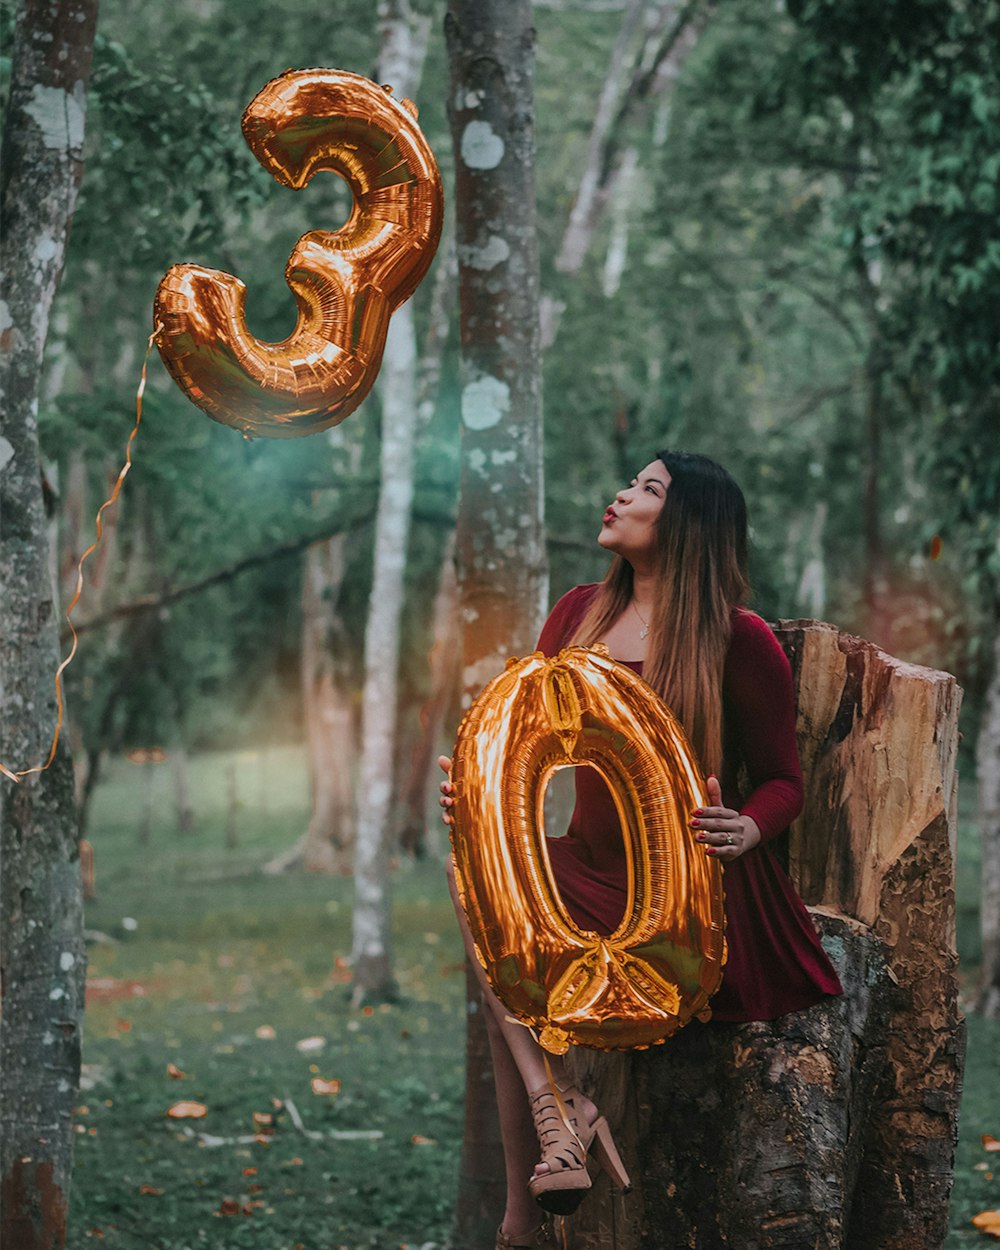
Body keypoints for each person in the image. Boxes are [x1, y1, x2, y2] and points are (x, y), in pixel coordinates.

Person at [438, 450, 843, 1250]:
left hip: (697, 892)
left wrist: (749, 827)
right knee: (480, 894)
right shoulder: (575, 615)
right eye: (630, 481)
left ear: (688, 521)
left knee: (507, 993)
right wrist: (479, 799)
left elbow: (784, 781)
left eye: (648, 489)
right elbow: (526, 747)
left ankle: (528, 1201)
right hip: (590, 869)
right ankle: (561, 1115)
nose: (621, 494)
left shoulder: (738, 638)